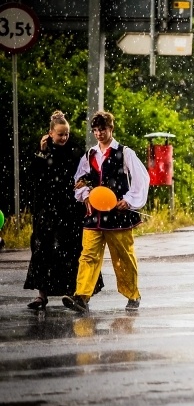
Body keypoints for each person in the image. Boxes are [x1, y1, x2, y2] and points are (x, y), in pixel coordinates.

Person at [62, 111, 150, 313]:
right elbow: (79, 180)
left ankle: (132, 294)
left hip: (118, 216)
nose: (99, 133)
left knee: (123, 257)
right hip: (94, 216)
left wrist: (128, 200)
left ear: (111, 128)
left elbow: (141, 179)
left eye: (102, 129)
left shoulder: (125, 153)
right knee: (88, 255)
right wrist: (85, 195)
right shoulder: (89, 155)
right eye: (95, 130)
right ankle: (82, 297)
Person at [25, 111, 103, 310]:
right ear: (50, 133)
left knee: (71, 250)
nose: (64, 137)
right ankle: (41, 295)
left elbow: (85, 175)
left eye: (66, 133)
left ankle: (75, 293)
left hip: (69, 208)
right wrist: (42, 153)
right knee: (43, 250)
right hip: (46, 209)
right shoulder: (42, 152)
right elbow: (32, 176)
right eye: (60, 134)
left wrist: (85, 188)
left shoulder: (75, 152)